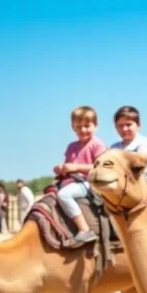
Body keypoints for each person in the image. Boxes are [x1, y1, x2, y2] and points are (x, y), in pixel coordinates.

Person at [54, 105, 107, 244]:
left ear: (96, 126)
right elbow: (68, 166)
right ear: (73, 127)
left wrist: (76, 167)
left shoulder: (98, 145)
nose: (83, 130)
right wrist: (61, 169)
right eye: (79, 126)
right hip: (72, 181)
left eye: (87, 126)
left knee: (63, 195)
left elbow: (99, 168)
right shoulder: (71, 146)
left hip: (89, 182)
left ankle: (84, 230)